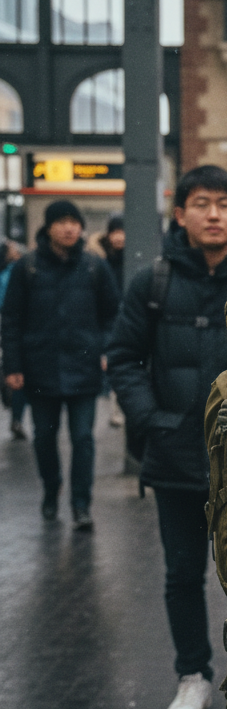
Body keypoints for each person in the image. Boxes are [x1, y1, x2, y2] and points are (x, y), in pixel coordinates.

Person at [107, 166, 227, 709]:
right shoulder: (155, 283)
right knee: (182, 573)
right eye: (201, 203)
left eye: (224, 203)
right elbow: (122, 357)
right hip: (175, 455)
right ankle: (192, 676)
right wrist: (150, 420)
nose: (213, 214)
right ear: (180, 214)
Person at [1, 201, 120, 528]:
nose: (69, 228)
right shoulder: (28, 267)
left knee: (83, 439)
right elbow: (11, 320)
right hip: (41, 367)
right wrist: (12, 366)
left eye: (74, 222)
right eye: (62, 222)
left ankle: (81, 504)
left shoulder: (94, 267)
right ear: (49, 227)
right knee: (44, 438)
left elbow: (112, 313)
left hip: (83, 368)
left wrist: (106, 349)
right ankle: (51, 489)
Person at [88, 215, 127, 426]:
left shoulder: (133, 259)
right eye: (115, 232)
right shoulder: (100, 262)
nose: (119, 237)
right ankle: (115, 408)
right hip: (108, 320)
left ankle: (118, 406)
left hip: (127, 318)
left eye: (122, 231)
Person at [0, 239, 28, 439]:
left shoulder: (12, 271)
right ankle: (16, 417)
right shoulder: (14, 272)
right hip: (13, 324)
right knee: (17, 372)